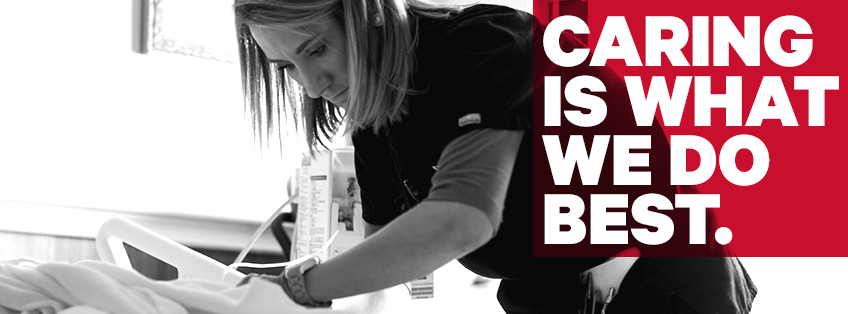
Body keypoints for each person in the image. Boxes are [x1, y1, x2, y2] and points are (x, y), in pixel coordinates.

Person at [233, 0, 757, 313]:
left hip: (654, 276)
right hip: (547, 292)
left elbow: (461, 221)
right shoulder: (375, 121)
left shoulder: (483, 46)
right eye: (287, 69)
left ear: (367, 13)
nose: (312, 85)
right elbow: (386, 261)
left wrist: (295, 287)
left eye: (317, 49)